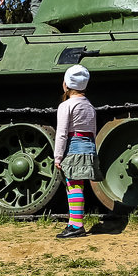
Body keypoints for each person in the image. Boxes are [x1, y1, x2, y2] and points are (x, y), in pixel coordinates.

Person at [52, 64, 100, 239]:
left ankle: (76, 225)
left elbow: (62, 133)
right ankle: (74, 222)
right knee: (78, 185)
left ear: (66, 85)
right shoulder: (89, 106)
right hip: (88, 146)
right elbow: (93, 130)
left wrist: (58, 156)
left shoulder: (66, 106)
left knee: (73, 186)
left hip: (73, 146)